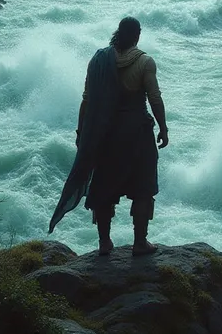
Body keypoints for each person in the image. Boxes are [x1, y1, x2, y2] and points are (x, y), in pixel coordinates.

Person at [49, 17, 169, 257]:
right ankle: (139, 242)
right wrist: (163, 129)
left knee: (104, 188)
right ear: (137, 36)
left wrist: (82, 132)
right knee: (143, 187)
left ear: (117, 33)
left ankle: (105, 242)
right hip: (137, 136)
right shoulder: (145, 62)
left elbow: (87, 100)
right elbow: (154, 98)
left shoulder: (98, 60)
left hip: (106, 134)